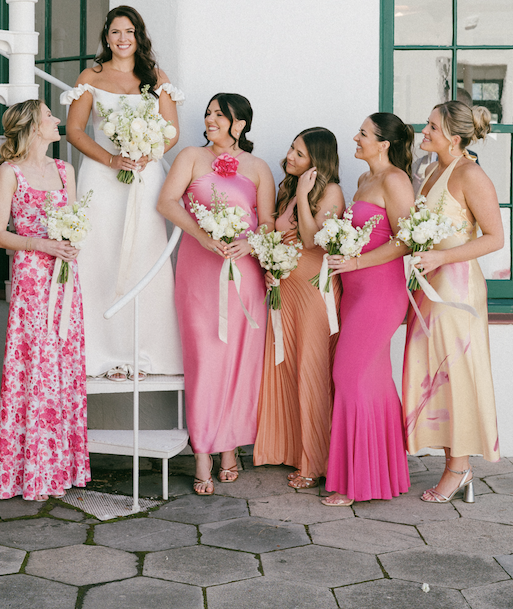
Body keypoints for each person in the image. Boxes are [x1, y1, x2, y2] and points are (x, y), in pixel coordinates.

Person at [158, 94, 275, 494]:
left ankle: (229, 447)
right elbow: (167, 202)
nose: (209, 120)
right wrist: (203, 236)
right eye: (208, 114)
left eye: (218, 115)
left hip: (244, 273)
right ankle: (203, 452)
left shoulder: (259, 168)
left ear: (239, 124)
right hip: (199, 271)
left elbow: (268, 220)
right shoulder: (191, 156)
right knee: (205, 362)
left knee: (241, 363)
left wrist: (251, 243)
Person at [62, 5, 183, 380]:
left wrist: (148, 152)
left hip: (144, 177)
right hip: (102, 177)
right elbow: (76, 130)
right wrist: (112, 159)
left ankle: (144, 352)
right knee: (100, 256)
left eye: (129, 31)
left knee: (144, 255)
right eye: (115, 32)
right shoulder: (91, 76)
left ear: (139, 35)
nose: (122, 38)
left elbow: (171, 130)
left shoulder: (156, 77)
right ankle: (103, 353)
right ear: (106, 36)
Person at [403, 101, 503, 504]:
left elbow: (495, 238)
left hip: (456, 290)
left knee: (454, 373)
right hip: (427, 288)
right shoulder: (429, 171)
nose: (423, 132)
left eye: (431, 127)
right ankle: (451, 459)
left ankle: (459, 468)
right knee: (431, 372)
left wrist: (441, 257)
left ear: (454, 138)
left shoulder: (471, 175)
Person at [0, 101, 90, 501]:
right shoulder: (9, 172)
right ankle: (29, 473)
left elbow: (78, 225)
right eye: (49, 116)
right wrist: (42, 244)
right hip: (32, 278)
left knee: (63, 365)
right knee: (35, 366)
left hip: (65, 280)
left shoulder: (65, 171)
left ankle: (60, 468)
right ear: (32, 126)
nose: (56, 121)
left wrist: (70, 244)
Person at [322, 113, 416, 505]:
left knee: (349, 376)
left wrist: (357, 263)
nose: (355, 138)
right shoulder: (364, 181)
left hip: (380, 294)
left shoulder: (395, 180)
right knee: (372, 381)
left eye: (363, 133)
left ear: (384, 143)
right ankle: (381, 476)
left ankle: (356, 482)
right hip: (354, 292)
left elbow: (407, 240)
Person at [253, 128, 345, 490]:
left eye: (299, 153)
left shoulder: (331, 192)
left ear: (316, 162)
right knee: (285, 366)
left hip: (314, 292)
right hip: (286, 290)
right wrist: (270, 269)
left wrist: (306, 196)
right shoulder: (287, 188)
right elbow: (278, 236)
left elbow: (310, 240)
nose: (290, 155)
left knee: (312, 369)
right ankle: (292, 448)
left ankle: (314, 460)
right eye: (291, 148)